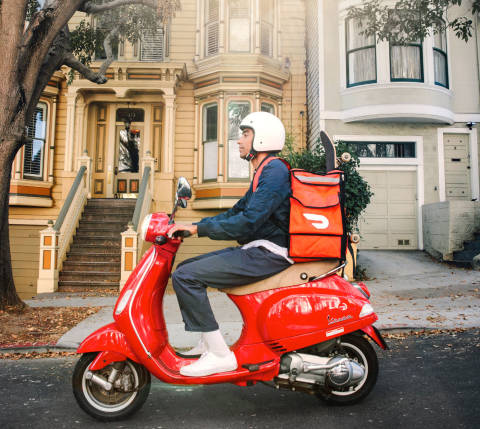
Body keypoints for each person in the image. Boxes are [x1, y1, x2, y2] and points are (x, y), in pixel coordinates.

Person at [168, 111, 292, 377]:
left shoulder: (275, 171)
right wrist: (194, 227)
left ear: (262, 139)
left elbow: (248, 221)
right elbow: (237, 212)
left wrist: (198, 228)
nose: (239, 140)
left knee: (186, 276)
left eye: (246, 134)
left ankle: (220, 355)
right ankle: (207, 342)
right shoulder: (264, 171)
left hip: (270, 252)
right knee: (187, 267)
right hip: (258, 248)